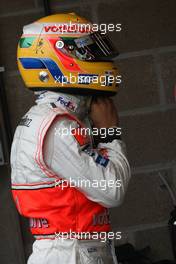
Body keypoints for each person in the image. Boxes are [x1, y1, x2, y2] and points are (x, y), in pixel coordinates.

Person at [11, 13, 131, 264]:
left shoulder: (56, 118)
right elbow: (112, 190)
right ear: (61, 58)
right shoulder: (55, 126)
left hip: (73, 250)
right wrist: (110, 134)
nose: (99, 59)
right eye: (89, 51)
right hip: (70, 254)